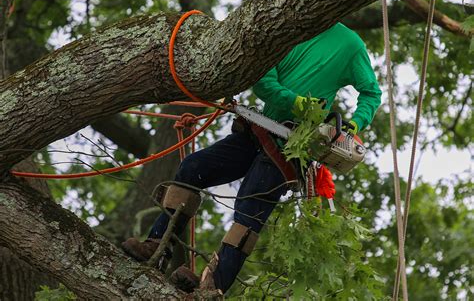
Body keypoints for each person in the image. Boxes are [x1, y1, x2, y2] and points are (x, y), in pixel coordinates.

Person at [121, 22, 382, 294]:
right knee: (193, 167)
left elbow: (371, 92)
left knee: (249, 205)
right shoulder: (290, 26)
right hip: (259, 130)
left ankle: (213, 286)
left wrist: (355, 124)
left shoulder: (350, 44)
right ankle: (158, 246)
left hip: (294, 147)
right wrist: (295, 102)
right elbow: (263, 82)